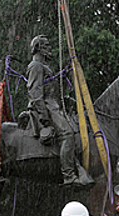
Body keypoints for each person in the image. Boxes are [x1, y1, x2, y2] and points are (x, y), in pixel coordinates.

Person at [27, 35, 91, 186]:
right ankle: (68, 175)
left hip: (54, 105)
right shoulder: (36, 66)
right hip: (46, 108)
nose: (50, 49)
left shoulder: (44, 67)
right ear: (38, 47)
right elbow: (35, 94)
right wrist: (44, 117)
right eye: (47, 45)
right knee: (67, 134)